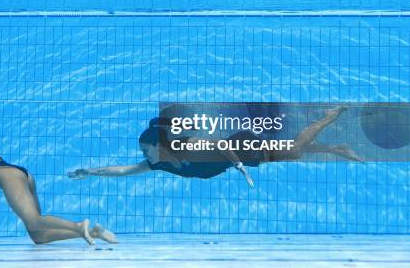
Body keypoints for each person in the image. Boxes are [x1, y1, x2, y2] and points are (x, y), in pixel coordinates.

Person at [0, 117, 117, 245]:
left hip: (10, 177)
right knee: (38, 234)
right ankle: (93, 232)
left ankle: (78, 225)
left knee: (35, 220)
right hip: (22, 175)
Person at [68, 106, 363, 186]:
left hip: (240, 148)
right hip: (238, 157)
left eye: (146, 150)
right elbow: (121, 171)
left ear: (158, 146)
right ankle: (335, 148)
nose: (143, 156)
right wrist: (91, 171)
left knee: (295, 149)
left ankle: (328, 117)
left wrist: (239, 168)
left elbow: (221, 144)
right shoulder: (157, 163)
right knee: (288, 153)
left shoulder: (188, 146)